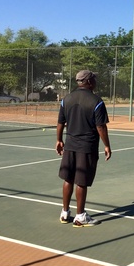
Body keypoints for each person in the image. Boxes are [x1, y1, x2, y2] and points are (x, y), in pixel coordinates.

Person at [56, 70, 112, 227]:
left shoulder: (66, 99)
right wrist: (107, 145)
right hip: (86, 146)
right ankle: (80, 216)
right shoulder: (96, 101)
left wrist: (59, 140)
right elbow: (100, 126)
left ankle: (65, 213)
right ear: (88, 82)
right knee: (81, 180)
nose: (95, 81)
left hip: (70, 145)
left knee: (69, 178)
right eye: (94, 79)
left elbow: (60, 122)